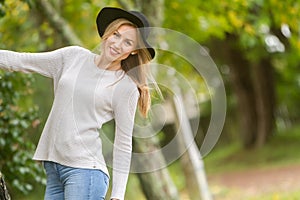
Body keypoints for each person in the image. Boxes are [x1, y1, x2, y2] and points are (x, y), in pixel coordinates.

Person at [0, 6, 156, 200]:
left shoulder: (125, 87)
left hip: (85, 172)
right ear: (108, 32)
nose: (117, 44)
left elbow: (123, 144)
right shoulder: (73, 57)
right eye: (116, 34)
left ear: (134, 51)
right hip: (53, 167)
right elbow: (22, 61)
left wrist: (118, 195)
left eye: (128, 42)